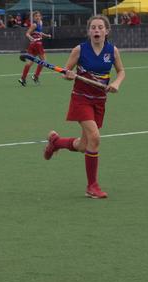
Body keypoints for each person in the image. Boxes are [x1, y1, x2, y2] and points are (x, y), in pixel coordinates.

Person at [43, 15, 125, 199]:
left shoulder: (112, 51)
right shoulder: (79, 50)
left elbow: (121, 71)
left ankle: (56, 142)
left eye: (100, 27)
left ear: (106, 31)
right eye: (93, 27)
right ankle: (92, 186)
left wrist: (117, 83)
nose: (96, 30)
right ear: (89, 31)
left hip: (99, 100)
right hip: (81, 99)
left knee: (84, 145)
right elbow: (65, 72)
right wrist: (68, 75)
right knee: (95, 138)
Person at [19, 11, 51, 86]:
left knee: (30, 63)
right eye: (36, 16)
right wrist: (30, 38)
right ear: (33, 18)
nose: (38, 17)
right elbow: (27, 33)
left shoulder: (40, 23)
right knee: (43, 61)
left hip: (33, 45)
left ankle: (23, 78)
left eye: (39, 16)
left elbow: (40, 33)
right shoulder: (34, 25)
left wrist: (46, 35)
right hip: (37, 44)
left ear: (41, 17)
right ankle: (35, 76)